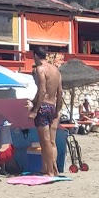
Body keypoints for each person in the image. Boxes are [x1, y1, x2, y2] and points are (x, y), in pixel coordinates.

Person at [30, 47, 64, 176]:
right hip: (53, 106)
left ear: (36, 56)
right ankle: (51, 168)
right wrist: (57, 109)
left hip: (43, 106)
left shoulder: (40, 69)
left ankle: (50, 170)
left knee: (44, 141)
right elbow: (60, 91)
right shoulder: (56, 71)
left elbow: (42, 90)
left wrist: (34, 109)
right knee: (51, 141)